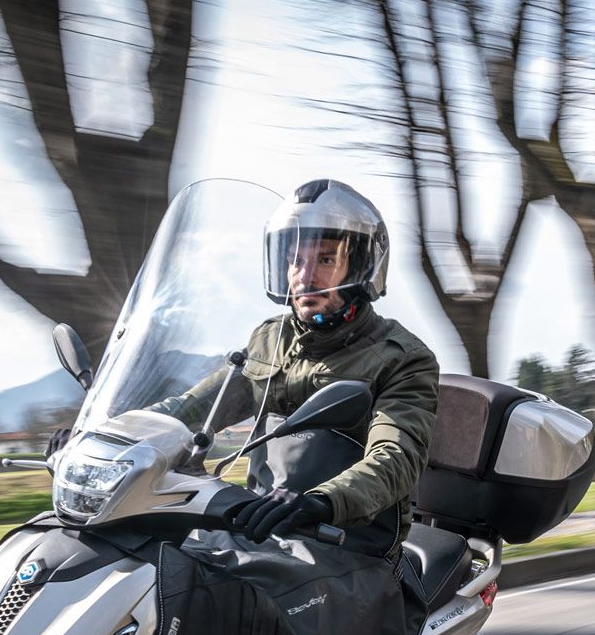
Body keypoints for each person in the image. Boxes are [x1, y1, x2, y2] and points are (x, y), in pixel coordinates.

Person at [157, 178, 441, 558]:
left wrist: (322, 501)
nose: (305, 276)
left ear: (360, 267)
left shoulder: (401, 357)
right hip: (262, 530)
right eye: (295, 260)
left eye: (325, 260)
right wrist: (108, 432)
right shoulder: (269, 340)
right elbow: (191, 408)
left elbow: (395, 458)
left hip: (349, 544)